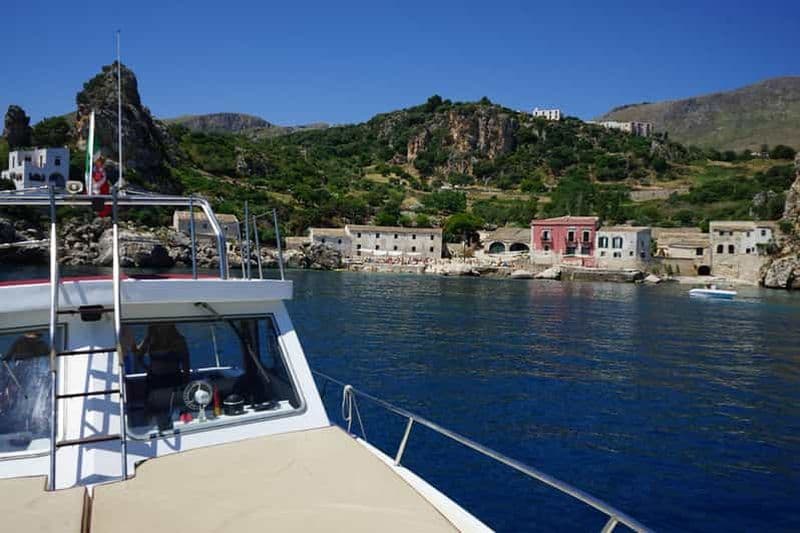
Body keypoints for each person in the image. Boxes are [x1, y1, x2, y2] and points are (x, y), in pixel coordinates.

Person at [129, 324, 191, 430]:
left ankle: (181, 425)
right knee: (154, 410)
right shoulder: (150, 339)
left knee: (175, 409)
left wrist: (185, 383)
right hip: (155, 380)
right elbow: (139, 355)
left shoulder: (179, 340)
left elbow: (186, 363)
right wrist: (147, 368)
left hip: (174, 380)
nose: (161, 326)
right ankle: (150, 427)